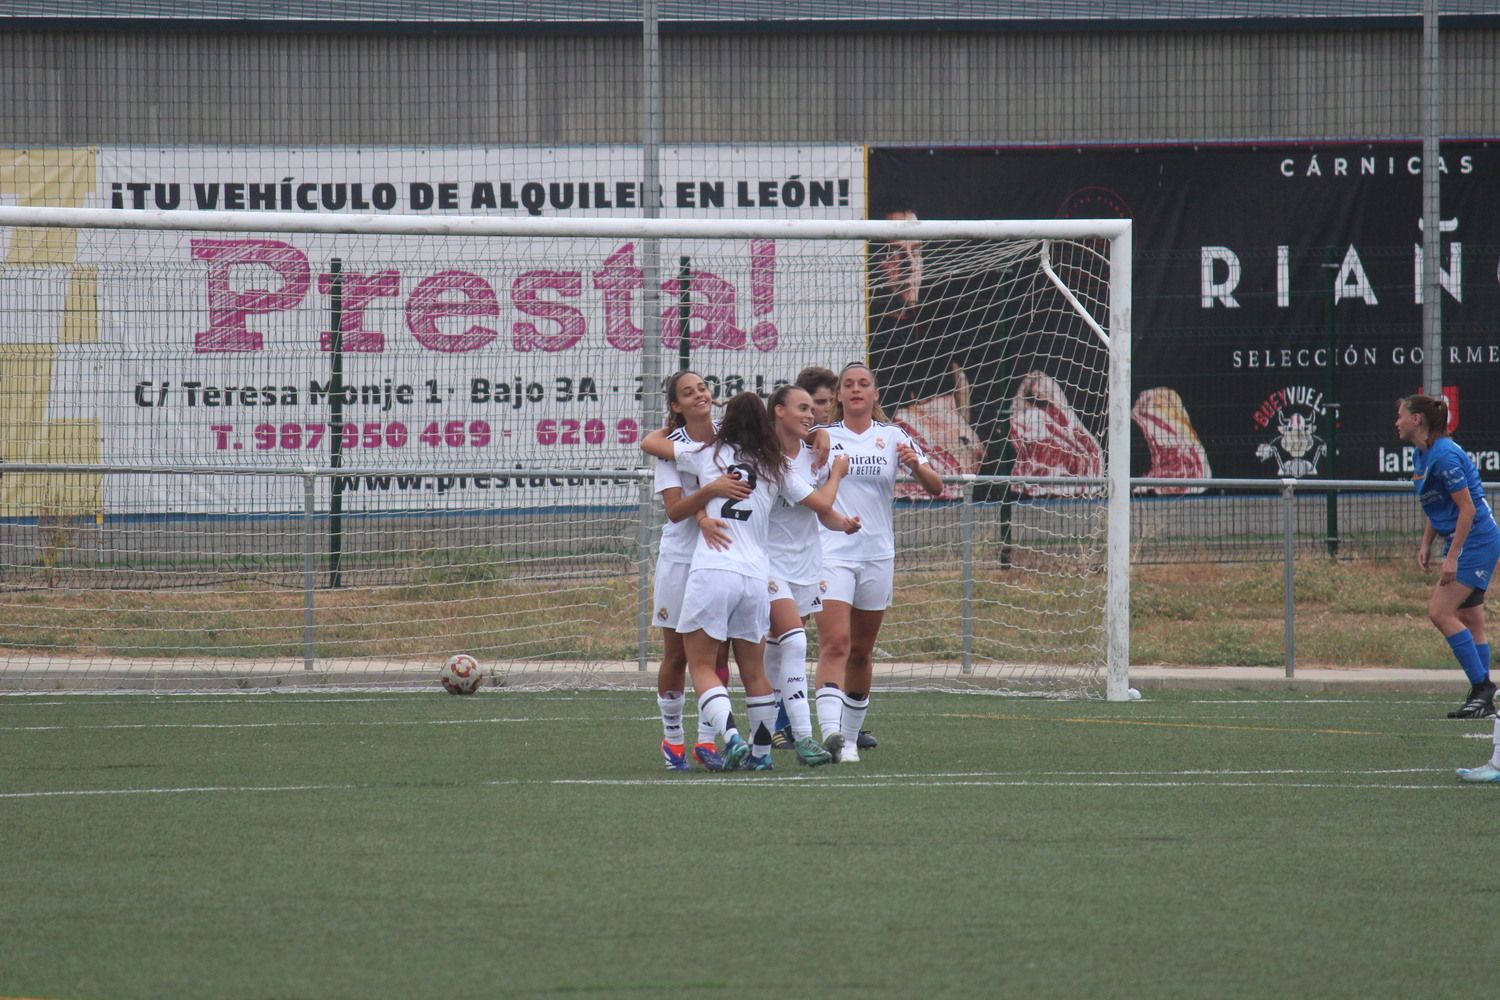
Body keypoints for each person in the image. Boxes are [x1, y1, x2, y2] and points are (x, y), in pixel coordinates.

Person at [642, 392, 860, 771]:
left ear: (726, 421)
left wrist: (682, 429)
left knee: (702, 665)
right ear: (766, 420)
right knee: (756, 671)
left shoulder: (707, 453)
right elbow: (823, 504)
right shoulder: (775, 465)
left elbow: (652, 444)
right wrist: (837, 472)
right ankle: (762, 756)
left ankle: (731, 738)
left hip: (713, 570)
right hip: (757, 577)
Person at [814, 362, 943, 762]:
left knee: (862, 651)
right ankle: (831, 734)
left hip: (876, 555)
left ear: (875, 395)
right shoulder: (821, 437)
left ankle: (850, 740)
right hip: (832, 551)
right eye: (848, 385)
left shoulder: (892, 436)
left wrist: (915, 463)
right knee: (836, 642)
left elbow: (936, 486)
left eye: (863, 384)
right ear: (837, 395)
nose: (855, 390)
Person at [650, 370, 750, 772]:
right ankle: (672, 740)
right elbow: (675, 511)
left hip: (722, 556)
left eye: (702, 388)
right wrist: (707, 497)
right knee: (676, 655)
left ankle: (707, 742)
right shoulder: (670, 448)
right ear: (676, 405)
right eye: (688, 393)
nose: (698, 396)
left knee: (717, 651)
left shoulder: (731, 439)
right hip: (680, 559)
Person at [763, 384, 859, 767]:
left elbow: (824, 513)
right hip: (766, 563)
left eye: (813, 410)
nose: (811, 415)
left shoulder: (812, 455)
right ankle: (805, 737)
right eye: (802, 408)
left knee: (777, 647)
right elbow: (823, 499)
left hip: (805, 566)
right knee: (796, 641)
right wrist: (837, 473)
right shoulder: (763, 455)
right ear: (778, 411)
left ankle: (761, 729)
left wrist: (844, 524)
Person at [1395, 393, 1500, 719]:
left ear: (1417, 420)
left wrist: (1452, 558)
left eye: (1400, 415)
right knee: (1470, 620)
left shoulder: (1443, 456)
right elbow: (1438, 505)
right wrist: (1426, 543)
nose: (1396, 422)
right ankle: (1482, 698)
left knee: (1440, 612)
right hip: (1467, 539)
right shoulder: (1422, 453)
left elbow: (1467, 508)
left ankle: (1483, 688)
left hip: (1476, 540)